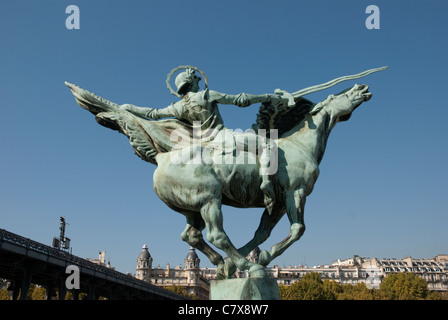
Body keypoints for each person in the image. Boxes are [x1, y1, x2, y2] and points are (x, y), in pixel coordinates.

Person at [120, 68, 288, 212]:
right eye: (196, 80)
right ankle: (266, 183)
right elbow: (240, 100)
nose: (198, 83)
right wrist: (267, 97)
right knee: (268, 144)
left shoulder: (178, 107)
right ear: (192, 82)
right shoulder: (207, 95)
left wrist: (130, 108)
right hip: (222, 137)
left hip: (203, 143)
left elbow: (153, 113)